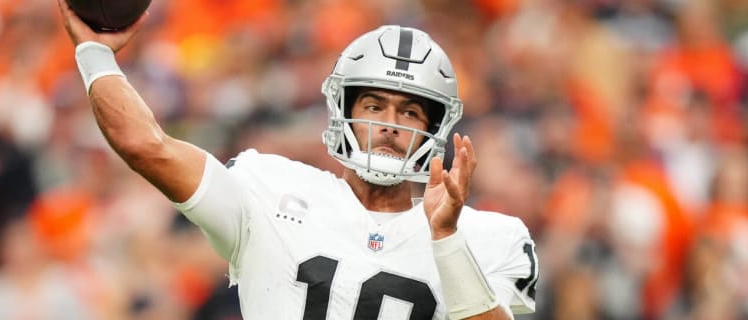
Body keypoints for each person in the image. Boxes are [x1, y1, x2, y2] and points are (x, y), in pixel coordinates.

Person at [57, 1, 539, 319]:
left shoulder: (488, 237)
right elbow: (148, 146)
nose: (390, 124)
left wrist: (446, 240)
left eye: (409, 111)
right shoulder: (267, 187)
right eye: (374, 105)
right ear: (342, 111)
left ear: (434, 129)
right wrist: (96, 54)